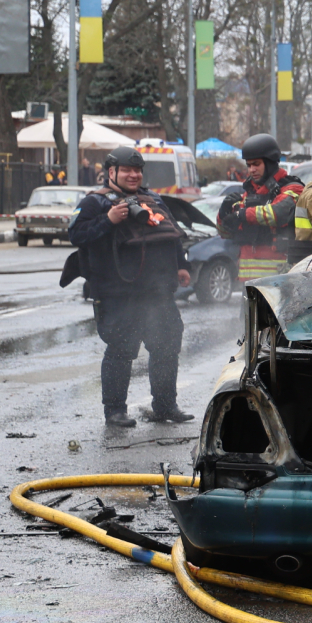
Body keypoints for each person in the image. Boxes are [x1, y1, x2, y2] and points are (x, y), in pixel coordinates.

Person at [68, 145, 193, 428]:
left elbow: (172, 236)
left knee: (166, 345)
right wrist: (108, 220)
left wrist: (182, 265)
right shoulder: (94, 203)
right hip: (118, 295)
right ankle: (114, 411)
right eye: (127, 170)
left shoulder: (153, 199)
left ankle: (165, 405)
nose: (134, 175)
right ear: (111, 172)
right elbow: (75, 234)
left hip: (158, 292)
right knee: (121, 350)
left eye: (137, 170)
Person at [216, 133, 304, 280]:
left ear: (270, 163)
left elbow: (278, 213)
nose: (251, 170)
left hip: (279, 281)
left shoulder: (292, 188)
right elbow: (225, 233)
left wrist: (241, 215)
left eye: (256, 164)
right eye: (249, 165)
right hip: (247, 285)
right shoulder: (248, 194)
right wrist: (223, 213)